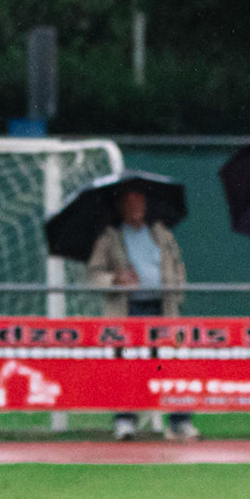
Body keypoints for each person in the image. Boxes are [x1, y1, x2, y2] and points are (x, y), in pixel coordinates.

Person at [86, 187, 195, 441]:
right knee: (128, 366)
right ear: (121, 206)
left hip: (163, 309)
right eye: (131, 202)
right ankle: (125, 420)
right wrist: (115, 279)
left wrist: (177, 288)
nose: (137, 207)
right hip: (129, 310)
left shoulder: (161, 234)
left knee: (173, 364)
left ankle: (180, 422)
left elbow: (178, 265)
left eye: (140, 201)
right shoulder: (110, 238)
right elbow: (94, 274)